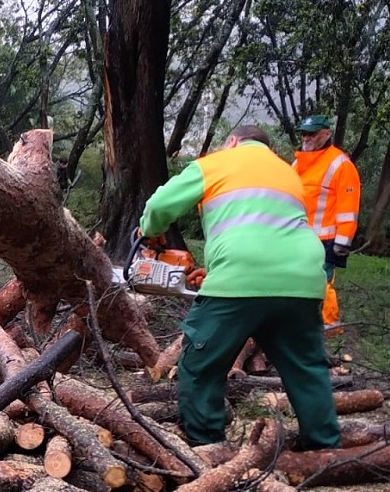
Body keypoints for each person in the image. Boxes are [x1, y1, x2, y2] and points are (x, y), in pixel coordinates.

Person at [138, 125, 341, 450]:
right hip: (303, 280)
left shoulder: (215, 163)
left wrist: (149, 231)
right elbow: (269, 230)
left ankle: (206, 445)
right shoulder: (288, 173)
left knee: (201, 363)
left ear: (232, 141)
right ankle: (323, 446)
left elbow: (159, 206)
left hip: (240, 278)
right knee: (307, 368)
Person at [292, 114, 361, 331]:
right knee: (297, 279)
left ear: (326, 134)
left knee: (322, 282)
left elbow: (348, 208)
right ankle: (302, 321)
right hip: (297, 236)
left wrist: (343, 242)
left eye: (312, 133)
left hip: (325, 239)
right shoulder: (297, 163)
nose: (307, 137)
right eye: (304, 133)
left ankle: (329, 324)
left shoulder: (341, 164)